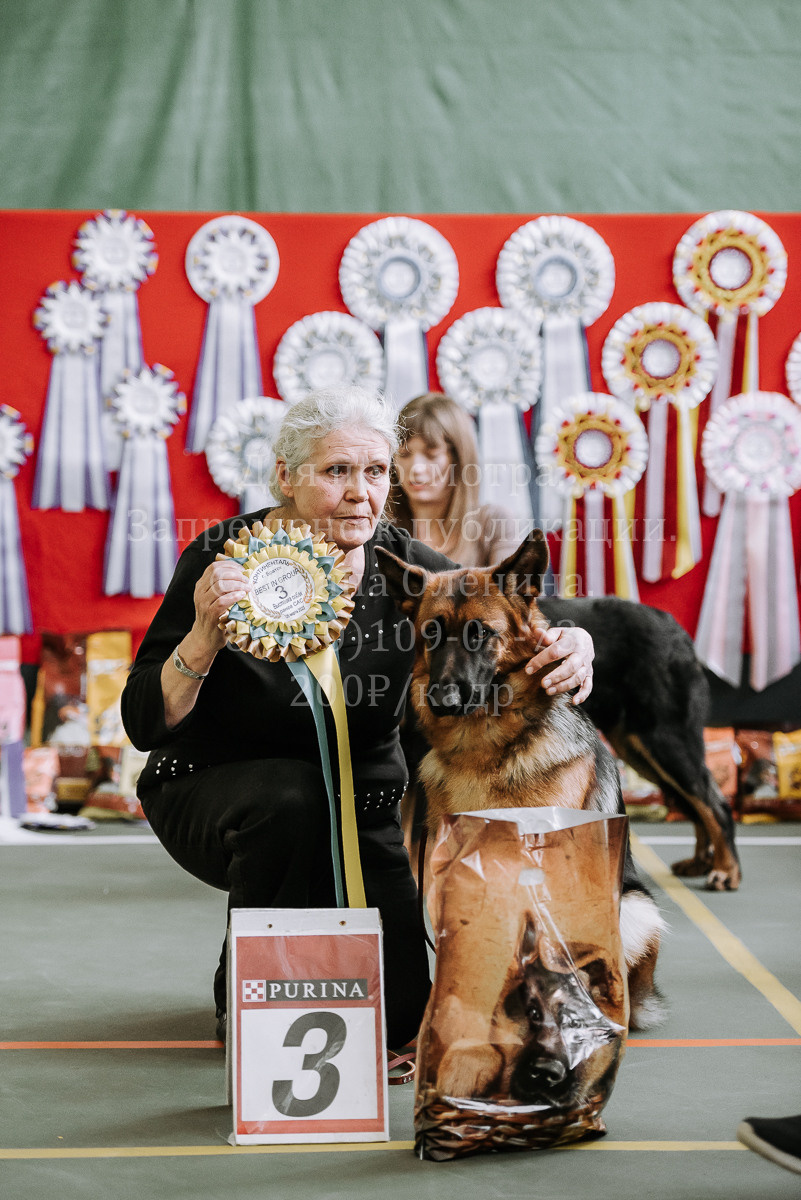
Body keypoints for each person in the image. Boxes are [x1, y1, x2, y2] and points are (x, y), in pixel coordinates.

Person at [121, 386, 595, 1048]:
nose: (359, 493)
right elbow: (143, 721)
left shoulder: (409, 568)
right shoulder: (223, 555)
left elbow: (508, 613)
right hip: (218, 792)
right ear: (285, 475)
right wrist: (202, 636)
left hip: (362, 806)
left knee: (400, 1020)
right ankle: (253, 983)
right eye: (335, 471)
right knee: (291, 798)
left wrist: (578, 641)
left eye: (374, 472)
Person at [391, 390, 522, 567]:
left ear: (459, 458)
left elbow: (512, 593)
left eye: (432, 455)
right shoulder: (379, 529)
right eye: (404, 454)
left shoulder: (493, 524)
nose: (416, 469)